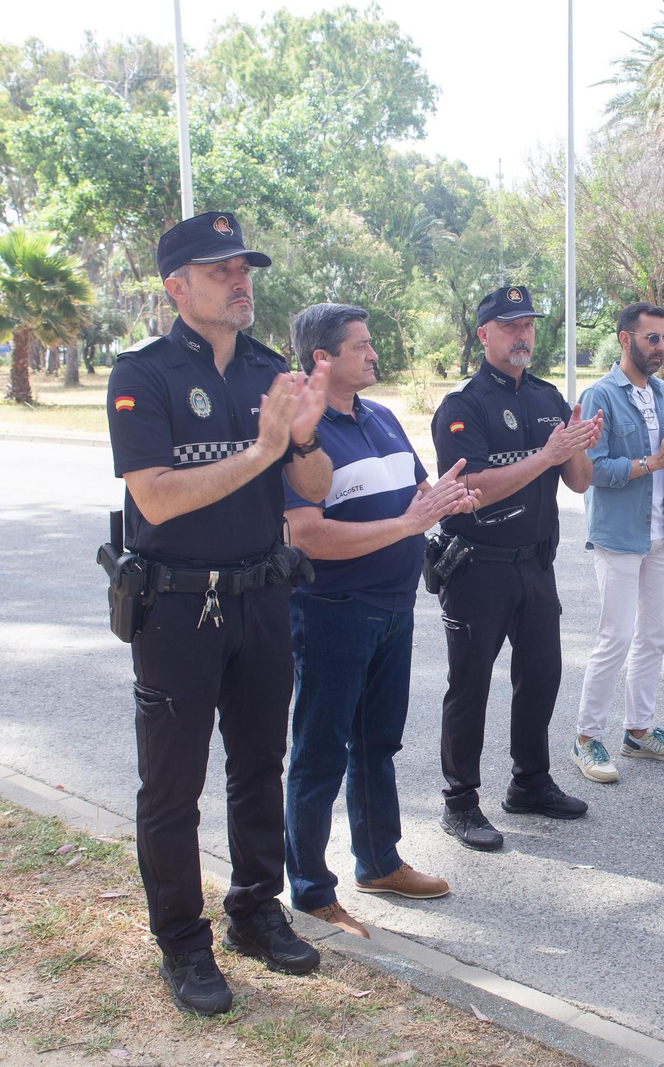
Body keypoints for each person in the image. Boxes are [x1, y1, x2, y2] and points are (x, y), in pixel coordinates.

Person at [105, 211, 332, 1015]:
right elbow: (156, 497)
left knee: (258, 766)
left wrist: (300, 441)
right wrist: (264, 451)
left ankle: (254, 910)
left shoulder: (271, 368)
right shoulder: (145, 374)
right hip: (177, 608)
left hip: (263, 597)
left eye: (245, 269)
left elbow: (313, 489)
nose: (241, 282)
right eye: (221, 270)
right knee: (172, 787)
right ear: (178, 287)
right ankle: (181, 943)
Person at [283, 303, 478, 940]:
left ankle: (379, 862)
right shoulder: (299, 434)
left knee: (377, 745)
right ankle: (311, 891)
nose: (373, 354)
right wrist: (407, 524)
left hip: (395, 610)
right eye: (361, 346)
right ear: (322, 358)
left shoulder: (383, 416)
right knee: (319, 755)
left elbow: (413, 497)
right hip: (334, 613)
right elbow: (307, 535)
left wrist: (440, 497)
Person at [430, 285, 603, 852]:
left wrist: (575, 446)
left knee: (542, 677)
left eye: (527, 324)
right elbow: (469, 487)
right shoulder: (463, 405)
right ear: (484, 335)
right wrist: (546, 456)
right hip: (478, 567)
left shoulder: (549, 398)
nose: (522, 335)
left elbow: (578, 481)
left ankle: (530, 782)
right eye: (509, 326)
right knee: (471, 686)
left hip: (533, 565)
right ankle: (460, 803)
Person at [570, 302, 664, 784]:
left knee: (654, 636)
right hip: (619, 536)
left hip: (662, 532)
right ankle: (586, 738)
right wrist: (652, 461)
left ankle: (639, 730)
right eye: (653, 339)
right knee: (616, 637)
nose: (662, 347)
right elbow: (592, 470)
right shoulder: (599, 395)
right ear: (625, 340)